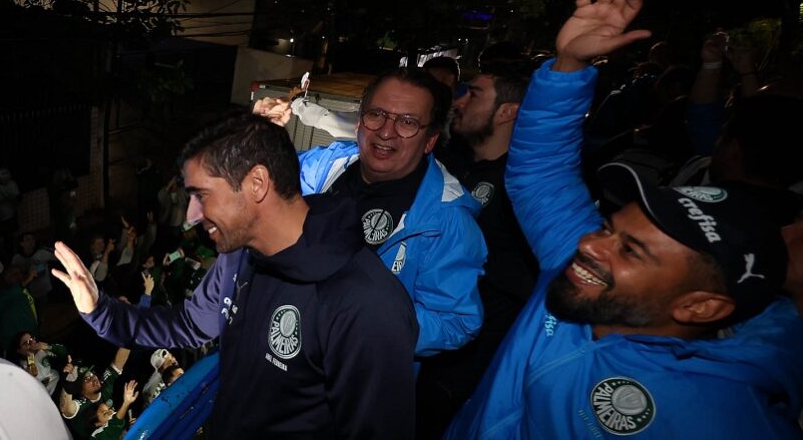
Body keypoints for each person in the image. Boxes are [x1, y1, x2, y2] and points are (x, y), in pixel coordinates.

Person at [445, 0, 803, 439]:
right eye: (609, 228)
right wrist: (571, 63)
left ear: (700, 306)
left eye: (631, 251)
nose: (591, 244)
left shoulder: (726, 419)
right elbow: (542, 172)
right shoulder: (577, 271)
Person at [51, 111, 419, 438]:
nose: (192, 215)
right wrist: (100, 309)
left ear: (256, 183)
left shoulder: (367, 305)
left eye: (202, 195)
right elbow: (188, 324)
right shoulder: (238, 256)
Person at [255, 67, 487, 358]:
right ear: (358, 123)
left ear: (430, 141)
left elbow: (455, 322)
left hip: (351, 380)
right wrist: (256, 133)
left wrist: (359, 321)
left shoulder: (446, 222)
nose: (387, 131)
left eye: (408, 122)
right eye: (377, 114)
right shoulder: (325, 166)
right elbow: (258, 184)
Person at [417, 65, 540, 437]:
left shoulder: (524, 189)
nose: (461, 101)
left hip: (470, 372)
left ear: (508, 111)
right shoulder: (455, 162)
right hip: (428, 354)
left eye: (475, 94)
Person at [60, 347, 131, 439]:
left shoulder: (103, 384)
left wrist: (129, 341)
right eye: (86, 379)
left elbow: (117, 364)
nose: (93, 378)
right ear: (81, 390)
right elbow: (66, 409)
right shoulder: (82, 403)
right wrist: (68, 383)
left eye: (92, 374)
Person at [11, 331, 68, 397]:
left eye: (31, 339)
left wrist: (48, 346)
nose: (32, 343)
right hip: (42, 395)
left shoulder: (42, 350)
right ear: (18, 350)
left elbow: (64, 352)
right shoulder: (18, 367)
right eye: (26, 343)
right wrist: (30, 354)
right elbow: (33, 373)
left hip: (57, 382)